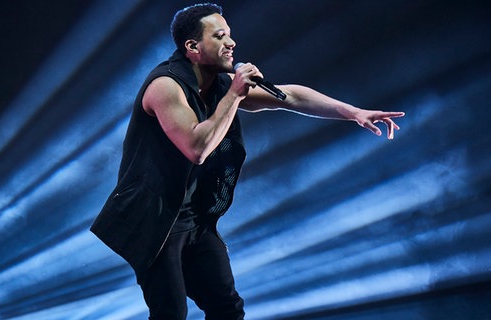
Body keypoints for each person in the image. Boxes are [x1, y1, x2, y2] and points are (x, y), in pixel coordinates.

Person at [90, 3, 405, 319]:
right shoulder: (165, 86)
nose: (232, 43)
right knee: (170, 312)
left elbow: (290, 96)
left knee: (227, 308)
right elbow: (196, 148)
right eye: (220, 36)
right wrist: (236, 94)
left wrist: (353, 112)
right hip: (153, 219)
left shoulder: (219, 83)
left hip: (195, 219)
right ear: (193, 47)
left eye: (230, 35)